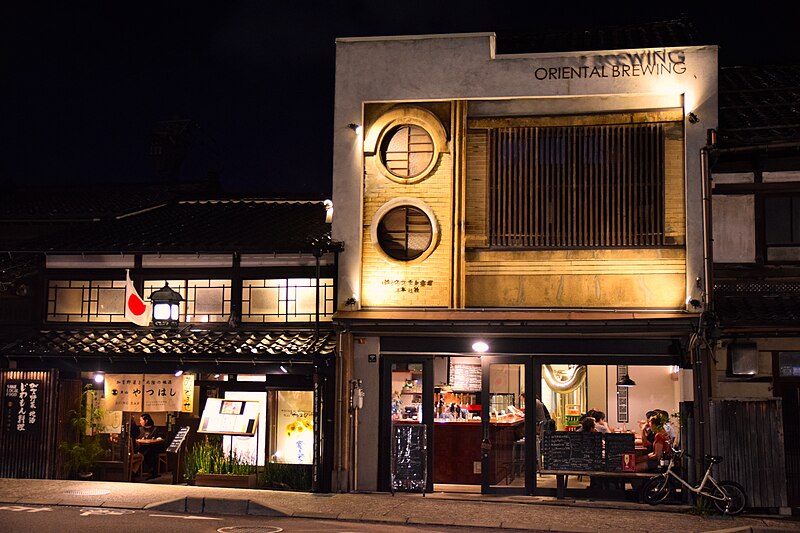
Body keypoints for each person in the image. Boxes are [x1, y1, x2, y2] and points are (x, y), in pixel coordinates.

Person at [135, 413, 165, 480]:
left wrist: (158, 438)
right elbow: (137, 438)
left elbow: (160, 438)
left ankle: (153, 472)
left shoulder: (155, 429)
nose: (140, 422)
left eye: (141, 420)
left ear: (146, 421)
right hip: (141, 447)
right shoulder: (140, 429)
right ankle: (138, 472)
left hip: (153, 448)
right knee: (145, 452)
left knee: (151, 452)